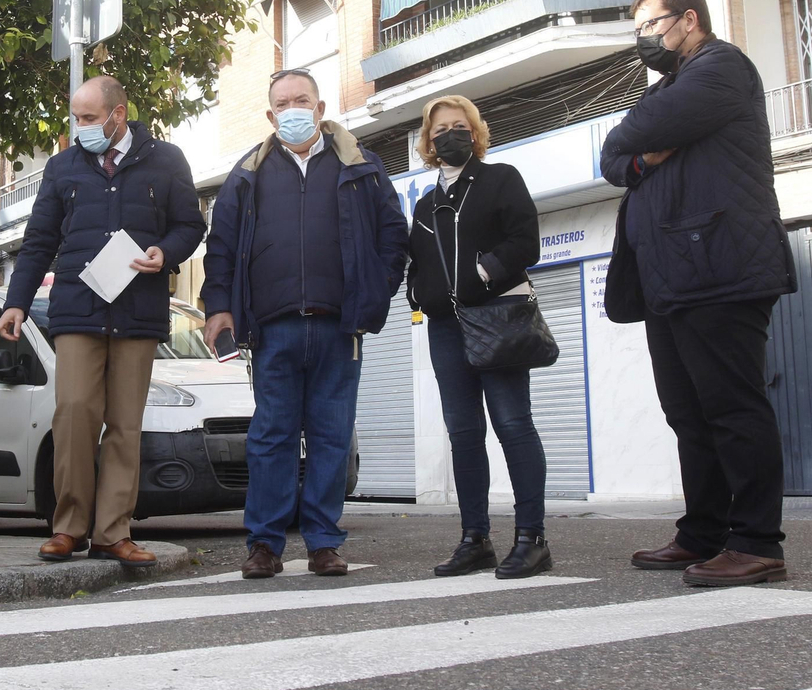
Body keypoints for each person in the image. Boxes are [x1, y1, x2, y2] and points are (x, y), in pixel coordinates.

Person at [600, 0, 797, 587]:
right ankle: (704, 533)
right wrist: (636, 155)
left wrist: (632, 144)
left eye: (650, 26)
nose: (644, 40)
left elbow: (621, 138)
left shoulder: (719, 68)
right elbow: (614, 162)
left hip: (720, 263)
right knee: (689, 412)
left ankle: (757, 540)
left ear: (688, 20)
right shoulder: (674, 86)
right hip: (673, 273)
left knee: (732, 407)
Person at [201, 69, 409, 578]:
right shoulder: (248, 173)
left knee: (331, 435)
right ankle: (265, 545)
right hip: (272, 327)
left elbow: (392, 235)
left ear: (319, 107)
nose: (293, 109)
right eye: (283, 103)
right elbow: (221, 247)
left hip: (340, 327)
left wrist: (375, 292)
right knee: (270, 435)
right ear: (271, 116)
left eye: (302, 100)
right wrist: (218, 308)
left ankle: (322, 541)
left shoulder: (361, 165)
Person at [0, 75, 205, 568]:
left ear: (118, 113)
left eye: (89, 118)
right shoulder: (62, 167)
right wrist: (16, 302)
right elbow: (39, 240)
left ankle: (113, 532)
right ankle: (67, 528)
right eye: (77, 118)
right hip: (77, 309)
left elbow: (190, 225)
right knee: (73, 415)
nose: (81, 127)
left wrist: (166, 252)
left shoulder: (166, 159)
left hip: (138, 310)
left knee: (125, 425)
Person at [405, 95, 552, 579]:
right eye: (440, 128)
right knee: (463, 434)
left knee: (513, 425)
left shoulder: (500, 179)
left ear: (475, 131)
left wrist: (481, 273)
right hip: (446, 329)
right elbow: (420, 262)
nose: (450, 134)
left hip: (497, 318)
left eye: (459, 125)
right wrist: (418, 292)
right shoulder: (425, 204)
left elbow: (524, 241)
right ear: (428, 141)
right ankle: (475, 539)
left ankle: (532, 538)